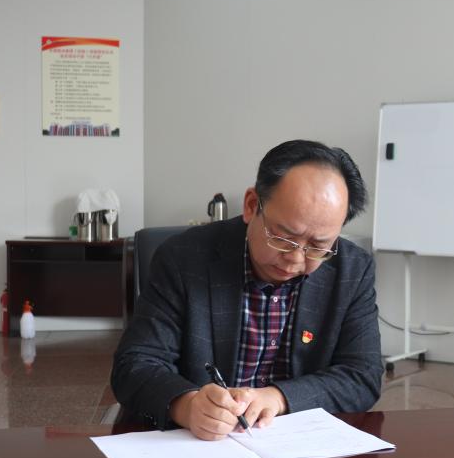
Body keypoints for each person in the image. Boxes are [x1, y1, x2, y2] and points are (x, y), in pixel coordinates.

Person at [112, 140, 382, 440]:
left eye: (319, 246)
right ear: (252, 205)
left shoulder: (352, 271)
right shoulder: (183, 258)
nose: (295, 259)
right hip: (197, 446)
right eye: (283, 238)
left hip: (295, 446)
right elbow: (135, 365)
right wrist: (186, 405)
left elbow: (362, 375)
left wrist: (278, 398)